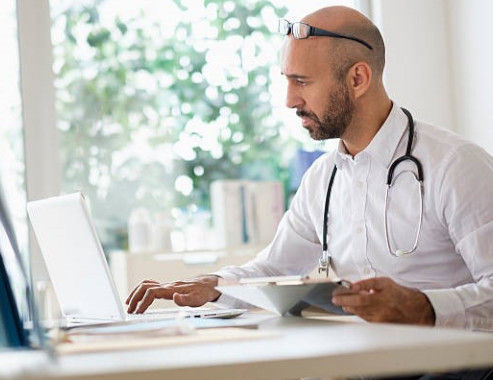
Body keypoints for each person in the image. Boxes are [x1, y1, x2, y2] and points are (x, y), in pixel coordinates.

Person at [126, 6, 493, 332]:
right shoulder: (323, 178)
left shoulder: (455, 166)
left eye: (301, 81)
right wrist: (215, 285)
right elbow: (273, 271)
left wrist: (424, 308)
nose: (289, 100)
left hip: (454, 369)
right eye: (286, 80)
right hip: (364, 363)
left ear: (358, 79)